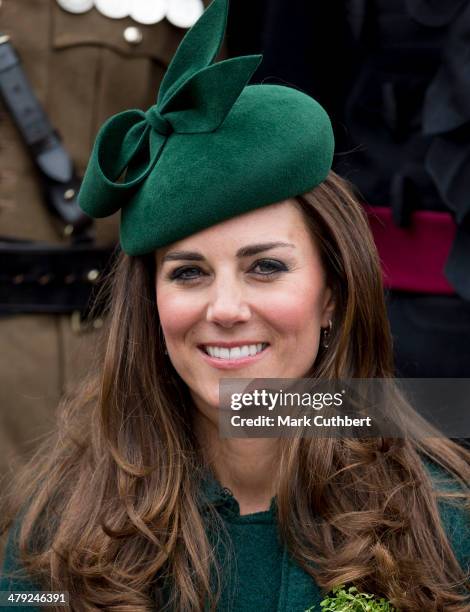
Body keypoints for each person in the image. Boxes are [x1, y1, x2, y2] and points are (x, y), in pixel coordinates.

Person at [1, 0, 469, 610]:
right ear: (151, 304)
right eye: (189, 273)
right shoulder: (55, 532)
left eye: (266, 267)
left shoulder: (445, 523)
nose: (225, 308)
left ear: (333, 295)